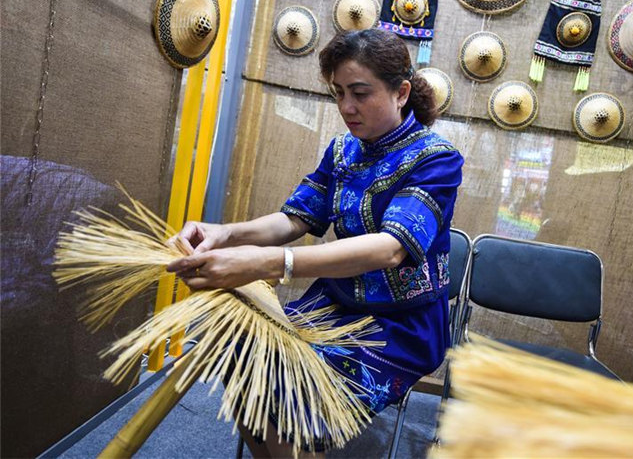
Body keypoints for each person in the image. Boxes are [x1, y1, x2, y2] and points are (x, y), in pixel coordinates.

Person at [166, 28, 463, 456]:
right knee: (240, 356)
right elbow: (294, 220)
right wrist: (225, 233)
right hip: (335, 302)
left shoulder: (435, 159)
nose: (346, 107)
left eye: (360, 93)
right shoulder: (344, 150)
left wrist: (270, 264)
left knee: (296, 399)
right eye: (338, 93)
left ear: (400, 93)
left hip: (399, 325)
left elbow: (389, 248)